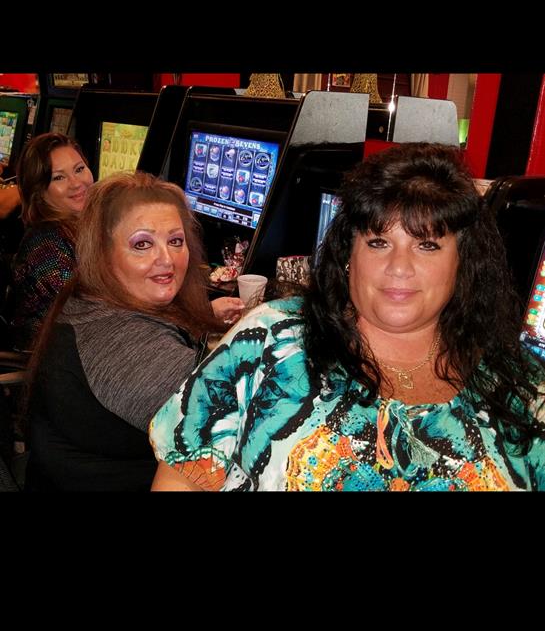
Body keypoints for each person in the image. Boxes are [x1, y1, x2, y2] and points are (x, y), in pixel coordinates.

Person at [150, 143, 545, 491]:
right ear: (347, 257)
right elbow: (181, 478)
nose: (399, 266)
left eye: (426, 245)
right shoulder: (271, 340)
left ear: (463, 264)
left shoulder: (519, 386)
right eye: (378, 242)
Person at [25, 171, 244, 491]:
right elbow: (255, 428)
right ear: (103, 252)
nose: (166, 259)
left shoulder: (90, 300)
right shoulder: (127, 350)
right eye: (142, 244)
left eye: (175, 241)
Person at [11, 133, 95, 348]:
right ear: (39, 191)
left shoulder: (79, 227)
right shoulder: (49, 249)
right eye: (59, 177)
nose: (77, 183)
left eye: (79, 169)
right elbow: (85, 322)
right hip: (58, 364)